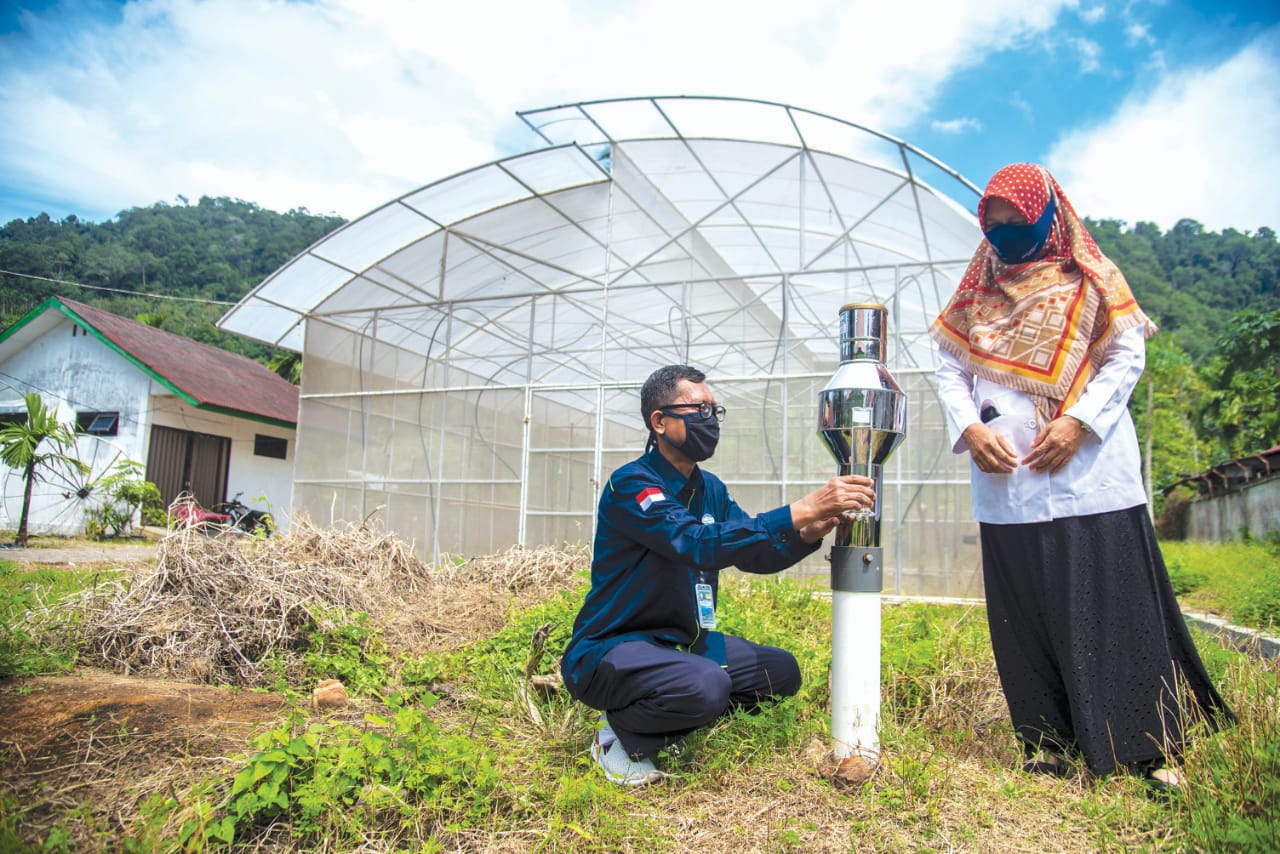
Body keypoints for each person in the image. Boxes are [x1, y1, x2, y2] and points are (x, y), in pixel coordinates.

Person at [930, 163, 1233, 790]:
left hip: (1088, 471)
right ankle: (1047, 743)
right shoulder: (975, 294)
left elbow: (1127, 352)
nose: (1008, 234)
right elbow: (949, 367)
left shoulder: (1092, 279)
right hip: (1007, 476)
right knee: (1024, 614)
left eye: (1020, 222)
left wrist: (1079, 423)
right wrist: (970, 429)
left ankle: (1146, 747)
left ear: (1050, 218)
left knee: (1114, 606)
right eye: (996, 224)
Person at [559, 364, 876, 786]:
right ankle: (619, 734)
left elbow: (754, 554)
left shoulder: (711, 489)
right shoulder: (633, 484)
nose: (710, 419)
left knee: (780, 673)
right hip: (613, 648)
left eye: (714, 410)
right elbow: (696, 542)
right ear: (659, 421)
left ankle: (673, 707)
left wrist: (804, 534)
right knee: (706, 685)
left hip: (685, 643)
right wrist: (801, 507)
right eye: (698, 408)